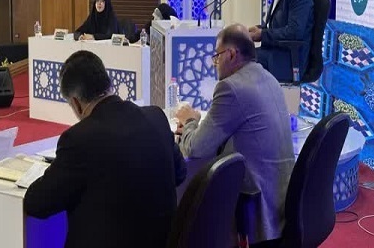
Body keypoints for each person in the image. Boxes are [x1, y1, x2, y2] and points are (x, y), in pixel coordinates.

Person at [24, 50, 187, 248]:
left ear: (76, 103)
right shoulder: (156, 117)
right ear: (108, 84)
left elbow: (36, 203)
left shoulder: (79, 139)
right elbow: (180, 173)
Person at [175, 24, 295, 246]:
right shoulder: (268, 77)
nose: (215, 64)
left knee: (190, 212)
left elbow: (195, 148)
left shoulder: (231, 87)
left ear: (230, 54)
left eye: (217, 57)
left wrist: (190, 120)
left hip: (258, 208)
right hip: (283, 200)